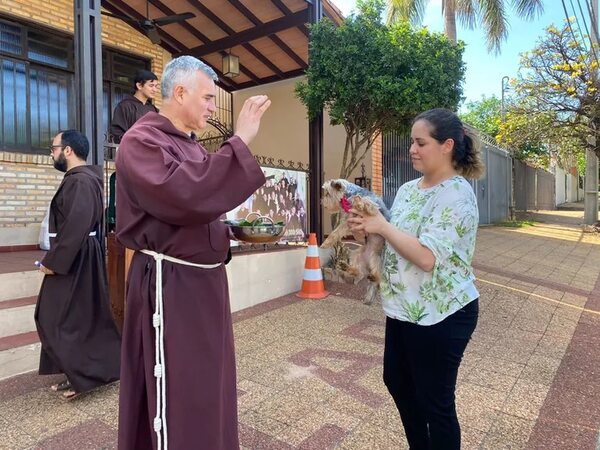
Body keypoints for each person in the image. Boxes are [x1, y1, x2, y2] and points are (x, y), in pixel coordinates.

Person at [115, 55, 270, 450]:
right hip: (171, 289)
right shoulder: (141, 141)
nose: (212, 107)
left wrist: (227, 231)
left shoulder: (190, 146)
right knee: (179, 390)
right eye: (207, 98)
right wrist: (241, 140)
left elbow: (202, 207)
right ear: (179, 92)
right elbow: (186, 195)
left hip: (204, 286)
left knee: (209, 385)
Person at [348, 108, 484, 450]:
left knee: (434, 401)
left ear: (447, 146)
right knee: (397, 381)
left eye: (421, 142)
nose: (412, 149)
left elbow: (426, 257)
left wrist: (382, 225)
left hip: (443, 313)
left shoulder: (457, 194)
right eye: (411, 141)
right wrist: (368, 229)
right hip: (405, 307)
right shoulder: (409, 190)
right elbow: (394, 240)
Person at [35, 130, 121, 400]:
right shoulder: (82, 179)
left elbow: (77, 224)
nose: (52, 153)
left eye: (54, 148)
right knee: (77, 316)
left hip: (76, 257)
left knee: (54, 316)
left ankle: (86, 374)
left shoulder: (81, 181)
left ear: (68, 150)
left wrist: (54, 262)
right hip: (81, 255)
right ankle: (80, 374)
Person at [109, 69, 160, 144]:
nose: (155, 90)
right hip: (132, 151)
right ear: (139, 85)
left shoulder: (153, 109)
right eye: (151, 86)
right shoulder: (125, 106)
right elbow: (117, 132)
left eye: (156, 86)